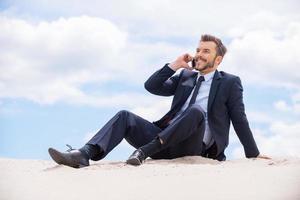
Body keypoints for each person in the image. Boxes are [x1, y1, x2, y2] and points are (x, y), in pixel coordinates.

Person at [48, 34, 270, 168]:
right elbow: (151, 86)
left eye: (206, 51)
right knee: (125, 116)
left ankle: (144, 152)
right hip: (163, 140)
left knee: (195, 112)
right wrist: (174, 65)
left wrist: (253, 153)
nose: (199, 55)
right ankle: (84, 154)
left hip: (193, 146)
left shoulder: (230, 82)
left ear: (218, 59)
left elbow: (239, 119)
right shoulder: (186, 76)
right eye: (198, 50)